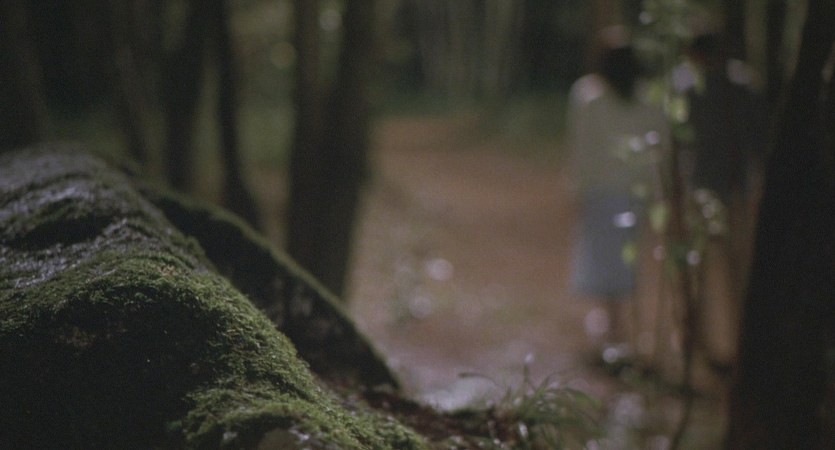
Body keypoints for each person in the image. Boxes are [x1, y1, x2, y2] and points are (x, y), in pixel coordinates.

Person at [566, 27, 668, 359]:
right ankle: (618, 327)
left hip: (601, 191)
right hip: (633, 193)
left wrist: (577, 187)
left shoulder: (588, 95)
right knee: (624, 260)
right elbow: (658, 149)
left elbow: (582, 148)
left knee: (604, 260)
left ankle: (614, 328)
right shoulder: (647, 99)